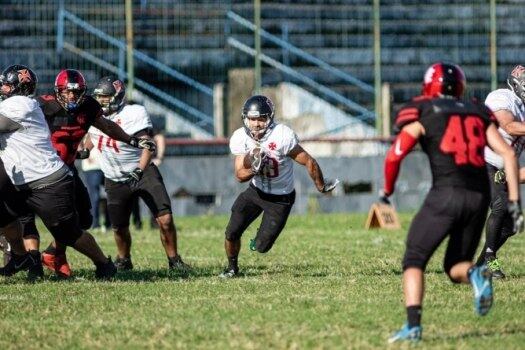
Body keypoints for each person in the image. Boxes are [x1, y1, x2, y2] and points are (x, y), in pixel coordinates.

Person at [381, 62, 524, 343]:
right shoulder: (479, 110)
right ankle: (476, 273)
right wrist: (516, 204)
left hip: (446, 192)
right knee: (456, 265)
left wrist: (386, 191)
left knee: (413, 259)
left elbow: (396, 154)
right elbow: (507, 153)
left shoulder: (423, 110)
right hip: (477, 196)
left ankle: (413, 326)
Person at [18, 69, 156, 278]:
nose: (72, 96)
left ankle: (53, 254)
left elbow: (106, 125)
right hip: (40, 171)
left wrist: (132, 140)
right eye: (67, 91)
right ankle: (33, 262)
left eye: (76, 92)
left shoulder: (89, 106)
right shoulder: (42, 106)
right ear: (58, 91)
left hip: (66, 171)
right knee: (29, 219)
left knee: (83, 220)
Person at [0, 64, 117, 280]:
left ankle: (104, 264)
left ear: (19, 88)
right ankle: (20, 256)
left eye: (7, 85)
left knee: (69, 232)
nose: (3, 89)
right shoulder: (16, 104)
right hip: (24, 179)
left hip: (46, 181)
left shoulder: (20, 105)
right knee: (5, 215)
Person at [219, 95, 338, 278]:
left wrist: (321, 185)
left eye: (261, 119)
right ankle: (232, 269)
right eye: (252, 119)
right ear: (245, 118)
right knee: (231, 231)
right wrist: (254, 169)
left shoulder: (282, 135)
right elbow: (239, 175)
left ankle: (259, 239)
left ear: (270, 118)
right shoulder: (240, 137)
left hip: (280, 198)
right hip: (255, 191)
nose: (256, 124)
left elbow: (308, 161)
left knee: (261, 247)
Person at [87, 76, 188, 271]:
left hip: (143, 172)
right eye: (99, 97)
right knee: (119, 227)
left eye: (106, 97)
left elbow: (148, 145)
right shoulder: (94, 115)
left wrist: (140, 170)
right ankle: (124, 259)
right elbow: (94, 135)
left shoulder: (134, 113)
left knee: (165, 219)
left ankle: (174, 260)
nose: (101, 101)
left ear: (118, 96)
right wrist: (84, 149)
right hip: (114, 177)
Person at [476, 64, 525, 278]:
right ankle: (489, 259)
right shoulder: (502, 97)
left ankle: (480, 264)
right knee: (501, 205)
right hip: (482, 160)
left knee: (512, 224)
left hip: (501, 167)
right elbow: (508, 126)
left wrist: (507, 176)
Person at [81, 145, 112, 232]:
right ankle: (95, 224)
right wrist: (86, 156)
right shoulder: (87, 131)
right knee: (95, 197)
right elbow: (80, 143)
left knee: (110, 196)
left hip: (106, 167)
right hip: (92, 167)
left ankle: (109, 224)